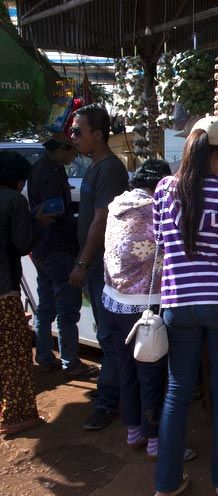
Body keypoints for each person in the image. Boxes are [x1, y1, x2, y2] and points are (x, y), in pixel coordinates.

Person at [153, 116, 218, 496]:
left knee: (177, 390)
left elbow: (162, 245)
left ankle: (166, 483)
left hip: (178, 301)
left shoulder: (164, 190)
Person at [102, 159, 173, 457]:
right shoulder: (154, 209)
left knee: (126, 369)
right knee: (151, 373)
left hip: (112, 301)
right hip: (143, 306)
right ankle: (155, 440)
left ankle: (134, 431)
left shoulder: (116, 207)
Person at [68, 104, 129, 431]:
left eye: (78, 131)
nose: (73, 137)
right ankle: (113, 392)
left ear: (98, 134)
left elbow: (102, 219)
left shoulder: (110, 170)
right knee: (107, 335)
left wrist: (82, 261)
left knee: (109, 334)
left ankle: (110, 400)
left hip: (103, 266)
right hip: (95, 266)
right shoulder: (94, 166)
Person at [27, 133, 96, 378]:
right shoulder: (49, 174)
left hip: (44, 249)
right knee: (67, 310)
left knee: (45, 308)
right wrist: (78, 222)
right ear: (61, 149)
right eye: (72, 150)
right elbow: (54, 213)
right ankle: (70, 362)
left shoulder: (46, 169)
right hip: (57, 249)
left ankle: (44, 357)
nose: (74, 155)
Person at [0, 151, 54, 435]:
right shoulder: (13, 200)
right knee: (15, 357)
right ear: (17, 178)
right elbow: (23, 244)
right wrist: (38, 222)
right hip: (4, 292)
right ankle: (17, 416)